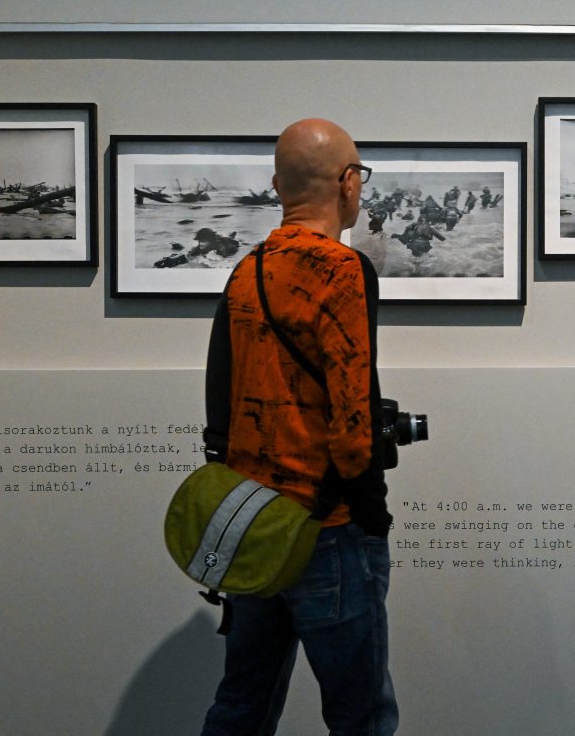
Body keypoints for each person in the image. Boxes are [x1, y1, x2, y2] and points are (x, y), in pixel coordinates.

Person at [200, 118, 397, 736]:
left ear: (278, 186)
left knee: (242, 709)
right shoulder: (343, 271)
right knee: (360, 718)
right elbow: (353, 413)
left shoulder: (247, 271)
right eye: (358, 174)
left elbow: (219, 410)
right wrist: (373, 513)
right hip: (327, 528)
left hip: (257, 526)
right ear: (347, 183)